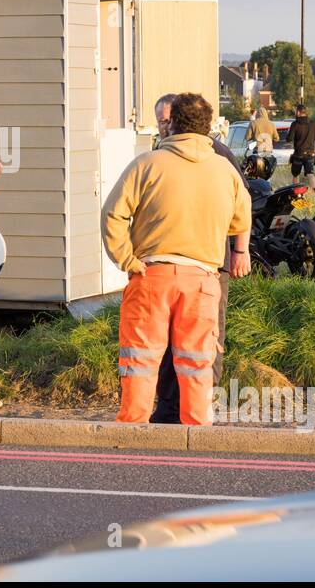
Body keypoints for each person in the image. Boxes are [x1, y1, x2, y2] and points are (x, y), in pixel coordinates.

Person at [101, 92, 252, 425]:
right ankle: (195, 438)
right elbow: (242, 216)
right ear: (207, 125)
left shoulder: (147, 164)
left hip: (151, 275)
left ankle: (130, 438)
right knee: (197, 363)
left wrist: (127, 259)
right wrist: (238, 251)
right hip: (202, 280)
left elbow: (112, 214)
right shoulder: (223, 168)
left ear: (173, 122)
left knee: (140, 364)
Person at [148, 94, 247, 424]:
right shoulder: (160, 155)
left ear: (179, 119)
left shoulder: (215, 155)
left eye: (167, 120)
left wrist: (238, 251)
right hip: (168, 263)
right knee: (167, 338)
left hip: (209, 265)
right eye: (159, 121)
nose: (164, 126)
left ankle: (201, 404)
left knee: (206, 339)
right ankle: (170, 406)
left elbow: (241, 204)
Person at [287, 103, 315, 190]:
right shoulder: (313, 124)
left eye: (296, 111)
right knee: (310, 173)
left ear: (298, 112)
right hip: (310, 154)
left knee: (295, 174)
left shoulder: (295, 124)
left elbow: (289, 139)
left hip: (298, 154)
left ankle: (296, 192)